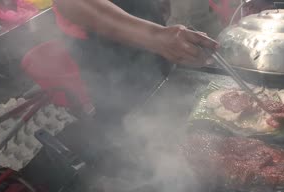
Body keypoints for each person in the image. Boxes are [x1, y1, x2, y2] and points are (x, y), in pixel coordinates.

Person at [53, 0, 219, 120]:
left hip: (149, 24)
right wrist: (156, 36)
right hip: (101, 43)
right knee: (124, 120)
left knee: (168, 99)